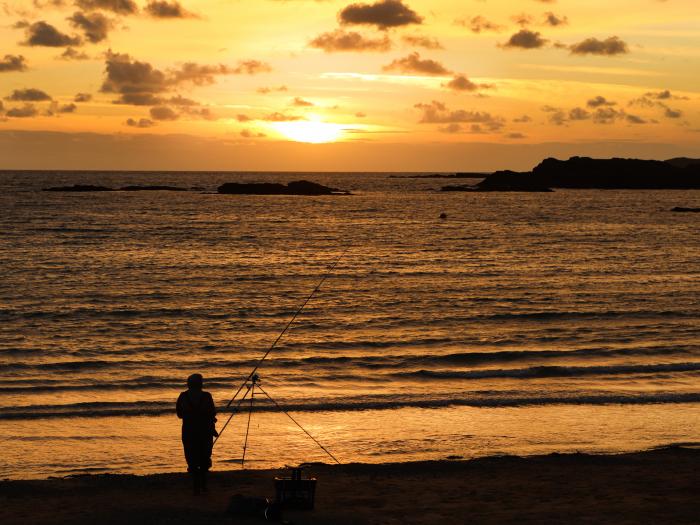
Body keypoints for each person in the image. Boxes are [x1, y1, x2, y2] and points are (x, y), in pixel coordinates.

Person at [176, 373, 218, 494]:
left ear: (189, 384)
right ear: (200, 384)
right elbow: (212, 413)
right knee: (205, 457)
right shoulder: (207, 396)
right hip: (205, 431)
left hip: (189, 430)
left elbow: (179, 414)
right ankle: (204, 485)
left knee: (191, 457)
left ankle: (195, 486)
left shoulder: (183, 396)